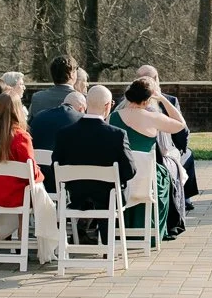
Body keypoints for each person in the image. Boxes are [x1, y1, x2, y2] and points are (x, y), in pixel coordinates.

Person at [52, 85, 137, 242]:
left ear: (87, 103)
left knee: (98, 191)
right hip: (108, 199)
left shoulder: (64, 134)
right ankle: (107, 242)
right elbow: (130, 171)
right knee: (114, 190)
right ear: (107, 106)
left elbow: (55, 166)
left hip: (75, 197)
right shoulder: (117, 135)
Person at [116, 78, 188, 237]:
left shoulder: (113, 117)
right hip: (146, 179)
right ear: (147, 100)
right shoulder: (153, 117)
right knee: (165, 177)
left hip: (121, 179)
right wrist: (162, 98)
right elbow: (180, 124)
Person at [0, 92, 44, 234]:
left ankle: (1, 236)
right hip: (17, 198)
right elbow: (32, 172)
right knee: (30, 188)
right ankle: (22, 238)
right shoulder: (21, 136)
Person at [137, 65, 198, 207]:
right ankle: (185, 196)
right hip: (162, 153)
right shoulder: (168, 101)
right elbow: (182, 131)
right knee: (187, 154)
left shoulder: (124, 102)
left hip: (138, 154)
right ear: (156, 80)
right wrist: (181, 149)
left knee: (186, 153)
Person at [30, 89, 85, 155]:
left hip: (38, 160)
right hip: (65, 160)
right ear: (81, 109)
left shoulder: (39, 116)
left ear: (62, 104)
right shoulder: (81, 120)